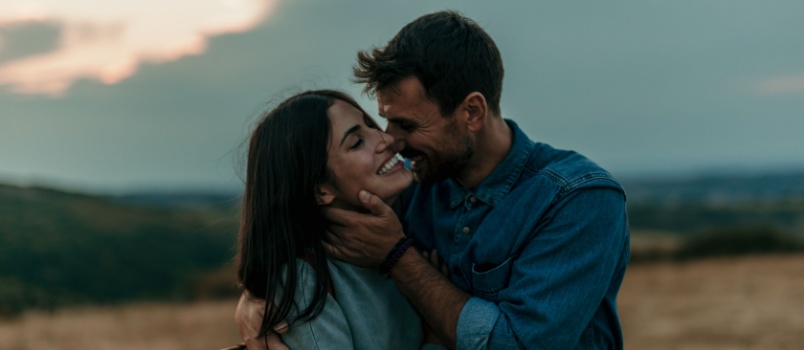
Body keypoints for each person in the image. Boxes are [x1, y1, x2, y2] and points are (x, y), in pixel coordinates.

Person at [238, 10, 630, 349]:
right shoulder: (411, 189)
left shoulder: (577, 200)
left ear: (472, 112)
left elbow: (519, 344)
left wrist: (399, 257)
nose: (391, 140)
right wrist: (262, 300)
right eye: (384, 121)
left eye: (407, 125)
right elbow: (295, 230)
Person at [234, 89, 445, 349]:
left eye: (370, 125)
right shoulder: (305, 282)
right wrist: (437, 339)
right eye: (356, 142)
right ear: (320, 191)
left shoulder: (422, 205)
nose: (387, 138)